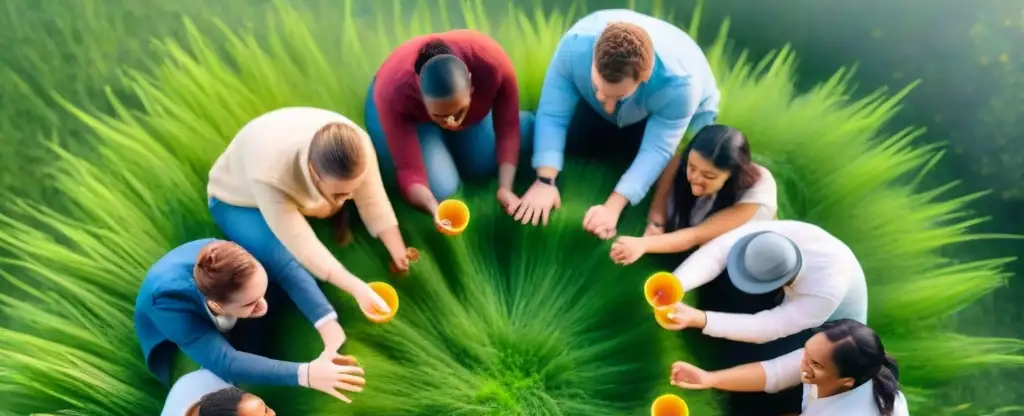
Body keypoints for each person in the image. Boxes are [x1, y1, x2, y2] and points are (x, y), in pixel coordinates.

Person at [516, 9, 719, 237]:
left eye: (618, 97)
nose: (609, 107)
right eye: (599, 90)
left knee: (680, 157)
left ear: (644, 76)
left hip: (678, 111)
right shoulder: (573, 48)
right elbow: (553, 114)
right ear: (593, 59)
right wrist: (545, 180)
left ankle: (658, 218)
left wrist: (613, 207)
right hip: (615, 99)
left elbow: (657, 148)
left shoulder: (680, 86)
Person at [671, 319, 910, 416]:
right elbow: (775, 372)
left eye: (815, 364)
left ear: (846, 381)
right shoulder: (825, 357)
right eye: (806, 351)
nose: (803, 362)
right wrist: (709, 379)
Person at [208, 107, 417, 287]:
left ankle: (333, 208)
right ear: (313, 172)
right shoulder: (270, 176)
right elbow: (303, 245)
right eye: (341, 192)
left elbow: (374, 200)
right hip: (235, 198)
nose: (353, 196)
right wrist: (357, 288)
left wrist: (398, 251)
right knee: (283, 260)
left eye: (355, 187)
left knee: (339, 200)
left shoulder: (358, 145)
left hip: (294, 171)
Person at [134, 239, 365, 400]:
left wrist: (327, 323)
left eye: (261, 292)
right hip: (180, 321)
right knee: (225, 381)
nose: (262, 305)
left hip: (224, 300)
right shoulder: (167, 304)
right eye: (250, 303)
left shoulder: (232, 258)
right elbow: (226, 362)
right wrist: (306, 374)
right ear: (216, 306)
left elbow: (286, 268)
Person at [365, 33, 533, 218]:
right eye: (441, 116)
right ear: (421, 94)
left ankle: (452, 145)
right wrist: (432, 207)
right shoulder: (394, 92)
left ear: (470, 82)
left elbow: (508, 127)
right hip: (404, 111)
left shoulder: (492, 63)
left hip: (462, 104)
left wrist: (505, 188)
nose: (452, 122)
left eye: (459, 111)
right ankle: (436, 143)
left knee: (485, 161)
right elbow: (409, 171)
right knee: (444, 190)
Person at [661, 220, 869, 357]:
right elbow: (717, 252)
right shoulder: (775, 235)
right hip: (802, 285)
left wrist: (701, 319)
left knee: (762, 354)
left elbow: (768, 327)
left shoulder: (823, 293)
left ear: (781, 284)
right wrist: (676, 284)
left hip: (831, 330)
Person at [610, 124, 777, 265]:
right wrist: (656, 223)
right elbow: (662, 193)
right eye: (691, 167)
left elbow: (695, 236)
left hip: (741, 252)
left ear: (732, 174)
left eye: (708, 176)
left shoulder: (757, 191)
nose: (695, 179)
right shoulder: (686, 157)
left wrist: (644, 244)